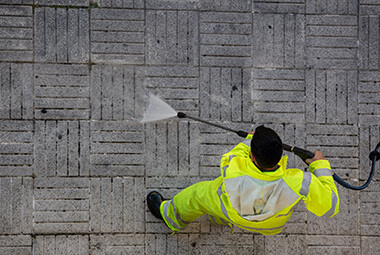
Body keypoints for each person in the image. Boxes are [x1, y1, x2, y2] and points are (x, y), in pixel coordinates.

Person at [147, 125, 339, 235]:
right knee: (218, 200)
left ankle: (170, 216)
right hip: (269, 225)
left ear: (253, 157)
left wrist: (249, 139)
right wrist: (320, 167)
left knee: (198, 194)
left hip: (232, 211)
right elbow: (330, 206)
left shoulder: (234, 167)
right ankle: (218, 220)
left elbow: (236, 153)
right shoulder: (300, 182)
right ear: (281, 154)